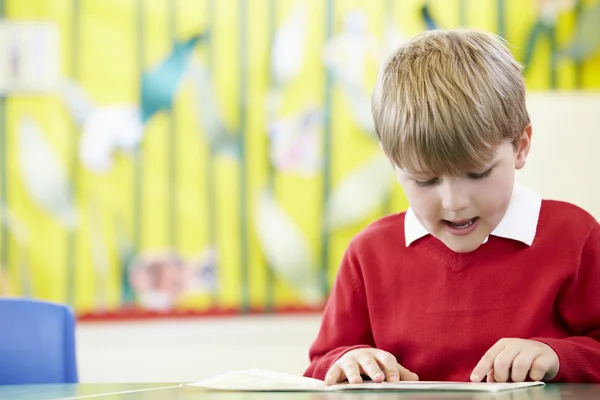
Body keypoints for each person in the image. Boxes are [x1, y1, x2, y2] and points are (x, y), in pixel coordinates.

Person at [304, 29, 600, 384]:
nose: (454, 203)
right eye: (425, 180)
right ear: (393, 162)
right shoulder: (368, 255)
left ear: (521, 146)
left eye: (477, 174)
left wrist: (556, 356)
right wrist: (352, 360)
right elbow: (321, 364)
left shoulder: (573, 236)